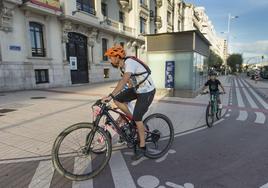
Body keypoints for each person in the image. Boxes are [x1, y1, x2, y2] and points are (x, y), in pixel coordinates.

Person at [102, 45, 156, 160]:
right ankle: (131, 118)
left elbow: (124, 80)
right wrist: (121, 95)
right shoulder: (122, 67)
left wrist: (110, 95)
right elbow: (129, 83)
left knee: (137, 118)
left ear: (118, 57)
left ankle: (142, 147)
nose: (110, 59)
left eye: (111, 57)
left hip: (147, 92)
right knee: (118, 100)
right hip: (137, 90)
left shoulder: (130, 62)